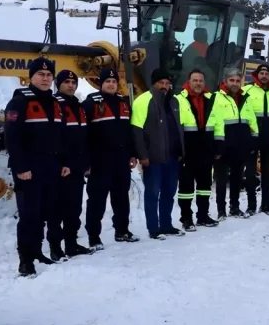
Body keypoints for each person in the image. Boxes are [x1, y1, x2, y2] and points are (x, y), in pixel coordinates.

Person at [4, 57, 69, 276]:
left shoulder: (55, 103)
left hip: (51, 167)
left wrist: (63, 163)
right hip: (29, 169)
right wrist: (21, 167)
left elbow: (60, 137)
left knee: (46, 212)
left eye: (49, 75)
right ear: (31, 76)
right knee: (29, 216)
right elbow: (12, 138)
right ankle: (25, 260)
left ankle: (38, 252)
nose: (45, 78)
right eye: (41, 74)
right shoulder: (20, 101)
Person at [83, 68, 140, 250]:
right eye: (107, 81)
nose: (111, 84)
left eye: (114, 81)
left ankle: (122, 230)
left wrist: (133, 153)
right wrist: (86, 161)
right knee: (97, 201)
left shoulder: (123, 103)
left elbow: (129, 132)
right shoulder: (91, 104)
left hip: (121, 161)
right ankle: (94, 236)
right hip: (99, 162)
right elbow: (84, 135)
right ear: (101, 83)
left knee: (121, 198)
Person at [132, 68, 185, 239]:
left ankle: (166, 225)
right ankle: (153, 228)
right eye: (161, 83)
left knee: (169, 193)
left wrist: (181, 151)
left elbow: (180, 127)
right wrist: (142, 155)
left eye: (167, 83)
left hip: (172, 157)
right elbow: (137, 130)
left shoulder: (175, 101)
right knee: (153, 193)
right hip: (153, 158)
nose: (164, 86)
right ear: (154, 83)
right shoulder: (143, 100)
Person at [176, 69, 222, 230]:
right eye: (195, 80)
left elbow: (218, 124)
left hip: (206, 148)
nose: (198, 83)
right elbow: (176, 127)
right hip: (188, 150)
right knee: (186, 187)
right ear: (188, 82)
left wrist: (218, 146)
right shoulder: (179, 100)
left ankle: (203, 215)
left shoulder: (211, 99)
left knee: (205, 186)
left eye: (201, 81)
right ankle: (186, 219)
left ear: (204, 83)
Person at [54, 70, 93, 258]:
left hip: (77, 167)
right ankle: (55, 248)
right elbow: (55, 139)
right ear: (58, 84)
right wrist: (63, 162)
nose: (71, 85)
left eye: (73, 82)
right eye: (66, 82)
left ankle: (71, 243)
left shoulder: (79, 107)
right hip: (62, 168)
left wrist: (85, 163)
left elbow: (84, 138)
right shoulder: (55, 105)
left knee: (74, 208)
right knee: (57, 209)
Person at [213, 68, 259, 219]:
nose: (235, 83)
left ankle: (235, 207)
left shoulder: (246, 98)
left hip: (241, 145)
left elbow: (252, 121)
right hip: (224, 145)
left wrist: (253, 141)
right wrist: (217, 143)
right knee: (221, 179)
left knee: (236, 178)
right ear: (225, 81)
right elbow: (214, 122)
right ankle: (221, 210)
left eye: (237, 81)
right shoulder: (216, 98)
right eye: (231, 80)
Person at [242, 64, 269, 217]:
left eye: (267, 73)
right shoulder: (247, 90)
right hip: (252, 137)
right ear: (257, 75)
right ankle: (251, 206)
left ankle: (267, 205)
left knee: (267, 173)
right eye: (262, 73)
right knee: (251, 172)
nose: (264, 76)